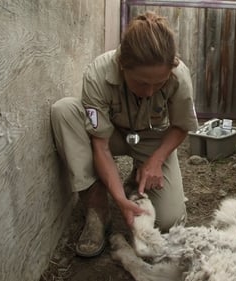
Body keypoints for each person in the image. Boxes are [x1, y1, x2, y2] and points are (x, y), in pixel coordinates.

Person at [50, 11, 198, 258]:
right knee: (64, 110)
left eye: (159, 83)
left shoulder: (179, 74)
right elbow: (101, 146)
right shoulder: (97, 73)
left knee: (170, 220)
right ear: (122, 65)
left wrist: (157, 159)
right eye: (142, 83)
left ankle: (136, 179)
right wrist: (117, 200)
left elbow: (182, 125)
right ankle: (97, 208)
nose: (150, 92)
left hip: (152, 139)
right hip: (111, 134)